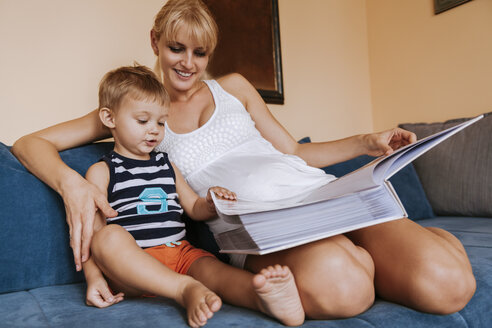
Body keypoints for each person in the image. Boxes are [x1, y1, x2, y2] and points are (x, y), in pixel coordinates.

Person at [12, 0, 475, 320]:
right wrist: (73, 184)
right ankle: (358, 260)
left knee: (450, 285)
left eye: (200, 52)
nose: (188, 64)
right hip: (267, 228)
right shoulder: (137, 109)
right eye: (176, 48)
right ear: (155, 41)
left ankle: (396, 244)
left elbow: (293, 151)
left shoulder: (233, 86)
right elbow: (28, 144)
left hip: (321, 194)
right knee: (345, 290)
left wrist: (366, 142)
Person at [80, 64, 305, 327]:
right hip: (133, 268)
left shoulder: (166, 165)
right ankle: (183, 290)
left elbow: (193, 207)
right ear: (109, 118)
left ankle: (266, 298)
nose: (154, 129)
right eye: (143, 121)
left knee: (218, 274)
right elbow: (93, 236)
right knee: (108, 237)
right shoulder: (102, 172)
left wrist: (210, 202)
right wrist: (94, 279)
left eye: (161, 122)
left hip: (179, 254)